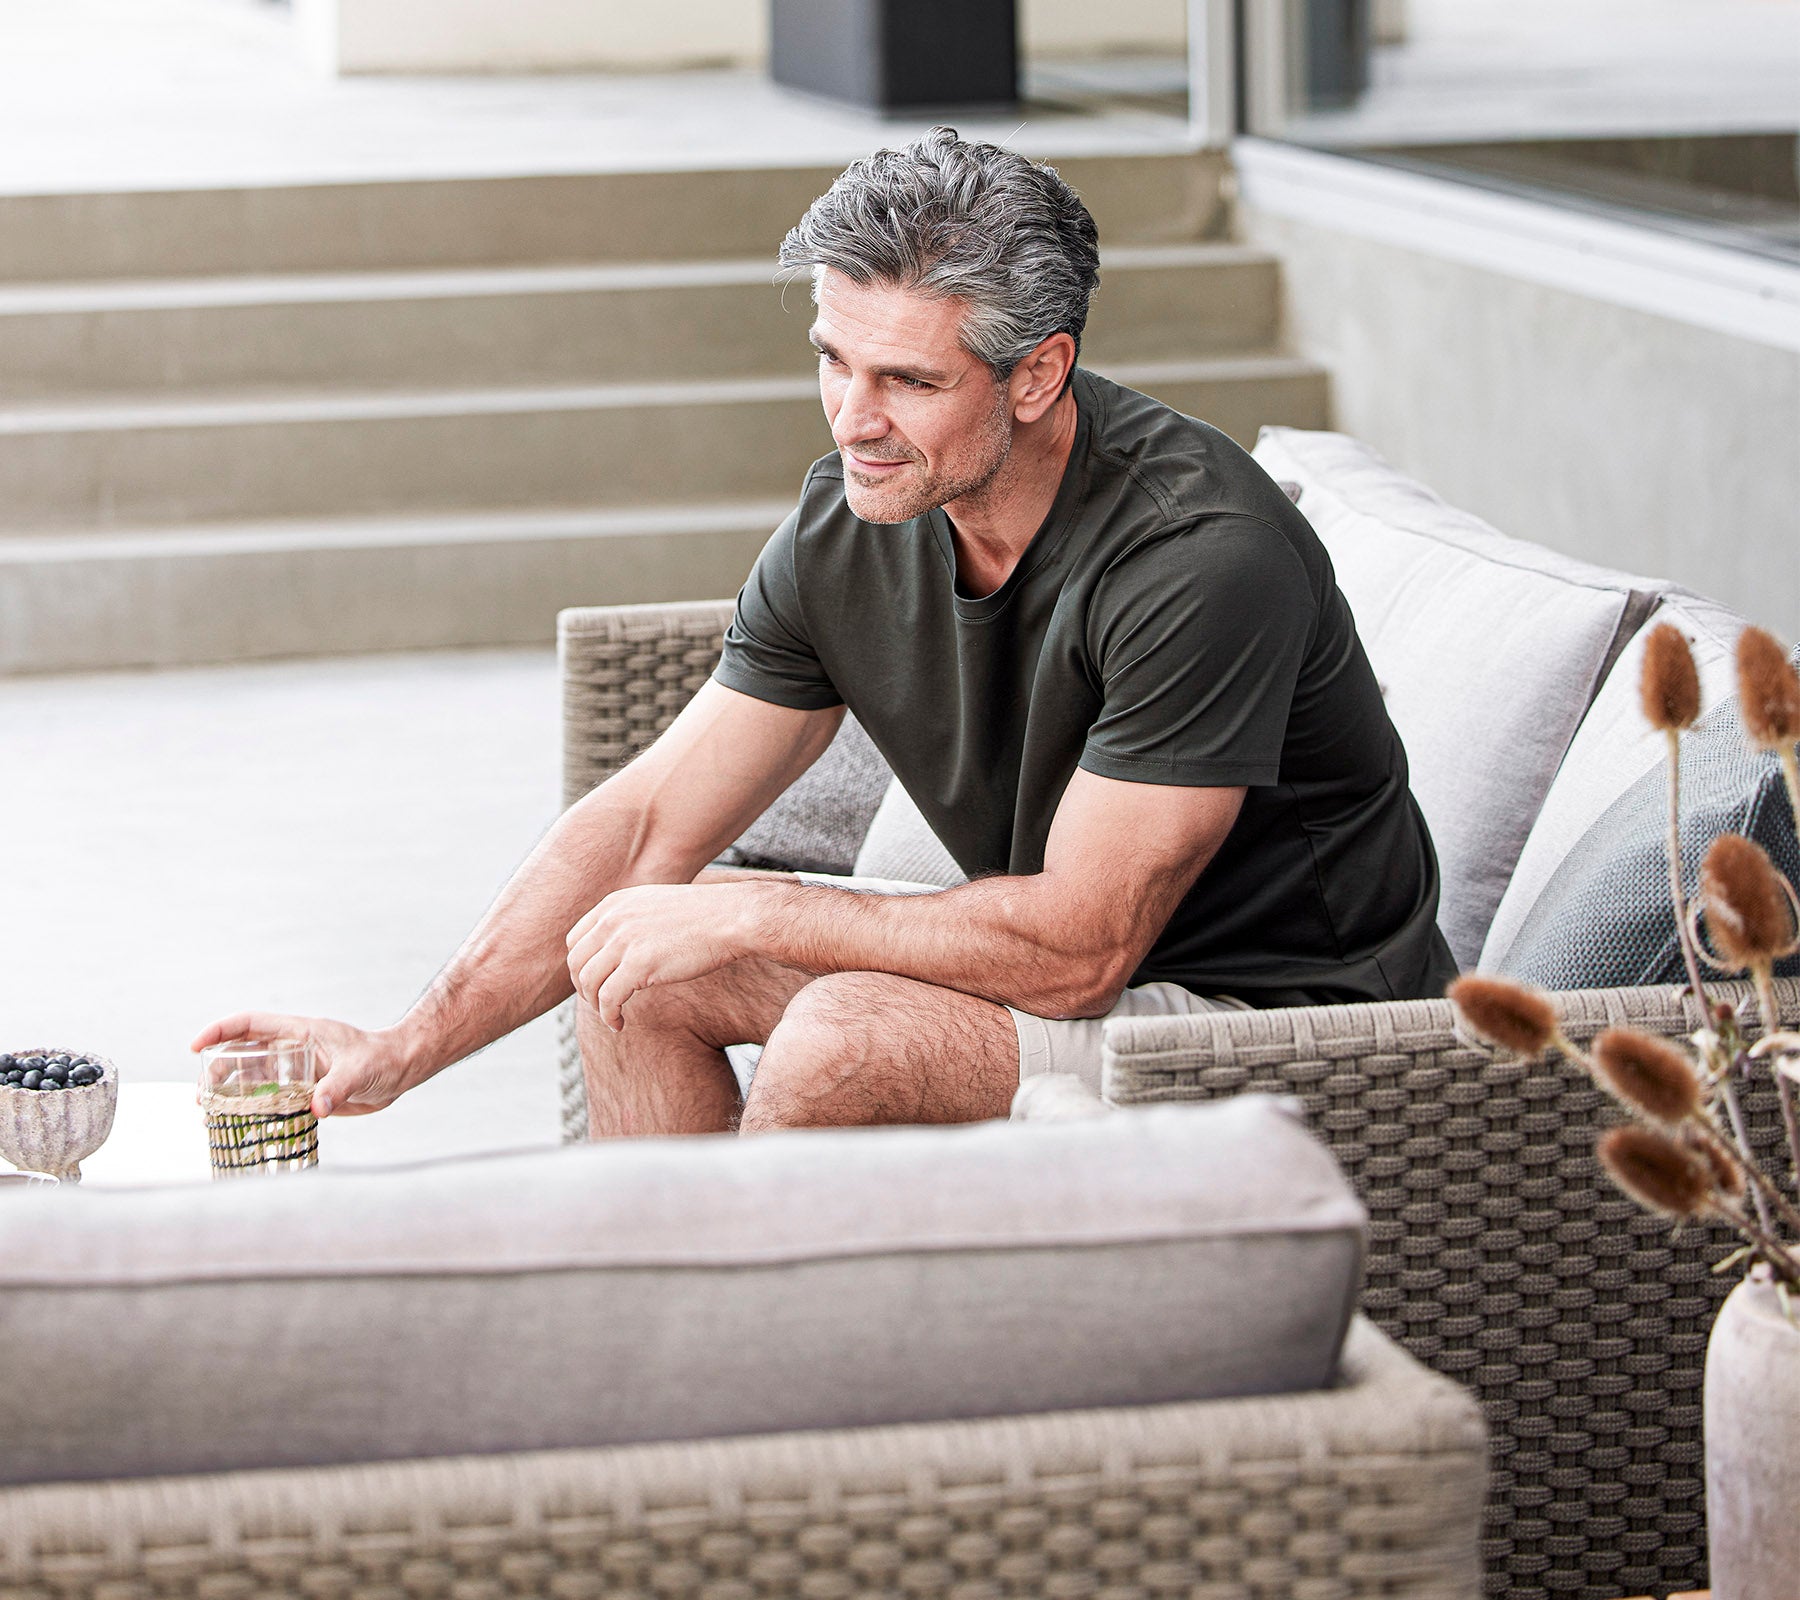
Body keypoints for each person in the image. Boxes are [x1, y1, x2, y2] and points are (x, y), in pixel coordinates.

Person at [193, 128, 1457, 1137]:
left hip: (1294, 1030)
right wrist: (404, 1047)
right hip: (1089, 982)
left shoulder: (1195, 557)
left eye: (907, 380)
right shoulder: (853, 522)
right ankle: (677, 1361)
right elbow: (644, 825)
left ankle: (785, 1401)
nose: (854, 418)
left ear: (1036, 372)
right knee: (635, 969)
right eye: (833, 361)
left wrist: (757, 910)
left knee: (844, 1034)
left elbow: (1080, 950)